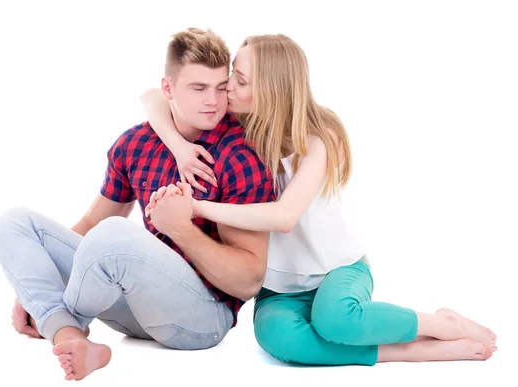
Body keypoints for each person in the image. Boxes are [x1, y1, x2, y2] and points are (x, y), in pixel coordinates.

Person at [141, 33, 498, 366]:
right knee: (277, 340)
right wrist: (179, 146)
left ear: (272, 89)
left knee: (338, 319)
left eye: (241, 81)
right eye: (234, 75)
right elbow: (154, 96)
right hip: (279, 285)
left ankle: (439, 327)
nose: (226, 88)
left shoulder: (318, 138)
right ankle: (399, 351)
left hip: (337, 269)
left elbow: (284, 217)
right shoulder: (240, 125)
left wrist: (197, 208)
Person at [0, 27, 276, 381]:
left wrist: (181, 229)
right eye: (198, 88)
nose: (213, 101)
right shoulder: (136, 143)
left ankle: (57, 320)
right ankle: (69, 333)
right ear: (168, 88)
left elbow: (249, 279)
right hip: (134, 310)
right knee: (13, 223)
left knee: (114, 237)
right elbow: (92, 223)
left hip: (202, 319)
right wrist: (34, 278)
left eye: (221, 88)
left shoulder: (240, 155)